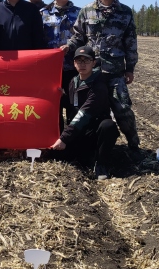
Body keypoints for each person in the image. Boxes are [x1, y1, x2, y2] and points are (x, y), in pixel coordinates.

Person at [64, 0, 141, 150]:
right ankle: (79, 146)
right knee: (84, 109)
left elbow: (130, 43)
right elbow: (78, 36)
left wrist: (130, 68)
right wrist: (67, 46)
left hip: (115, 73)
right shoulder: (87, 11)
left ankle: (134, 146)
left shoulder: (125, 12)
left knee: (123, 109)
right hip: (91, 73)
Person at [50, 46, 118, 180]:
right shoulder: (73, 82)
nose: (82, 64)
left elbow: (84, 113)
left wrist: (64, 138)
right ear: (74, 64)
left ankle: (101, 164)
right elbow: (72, 105)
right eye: (79, 61)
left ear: (93, 63)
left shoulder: (98, 86)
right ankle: (86, 156)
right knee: (58, 155)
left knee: (108, 126)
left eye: (86, 61)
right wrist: (61, 97)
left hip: (94, 132)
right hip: (80, 131)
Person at [41, 0, 81, 132]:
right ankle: (56, 136)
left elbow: (84, 36)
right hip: (50, 69)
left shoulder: (79, 13)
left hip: (73, 67)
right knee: (53, 104)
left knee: (73, 103)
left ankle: (71, 138)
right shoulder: (43, 13)